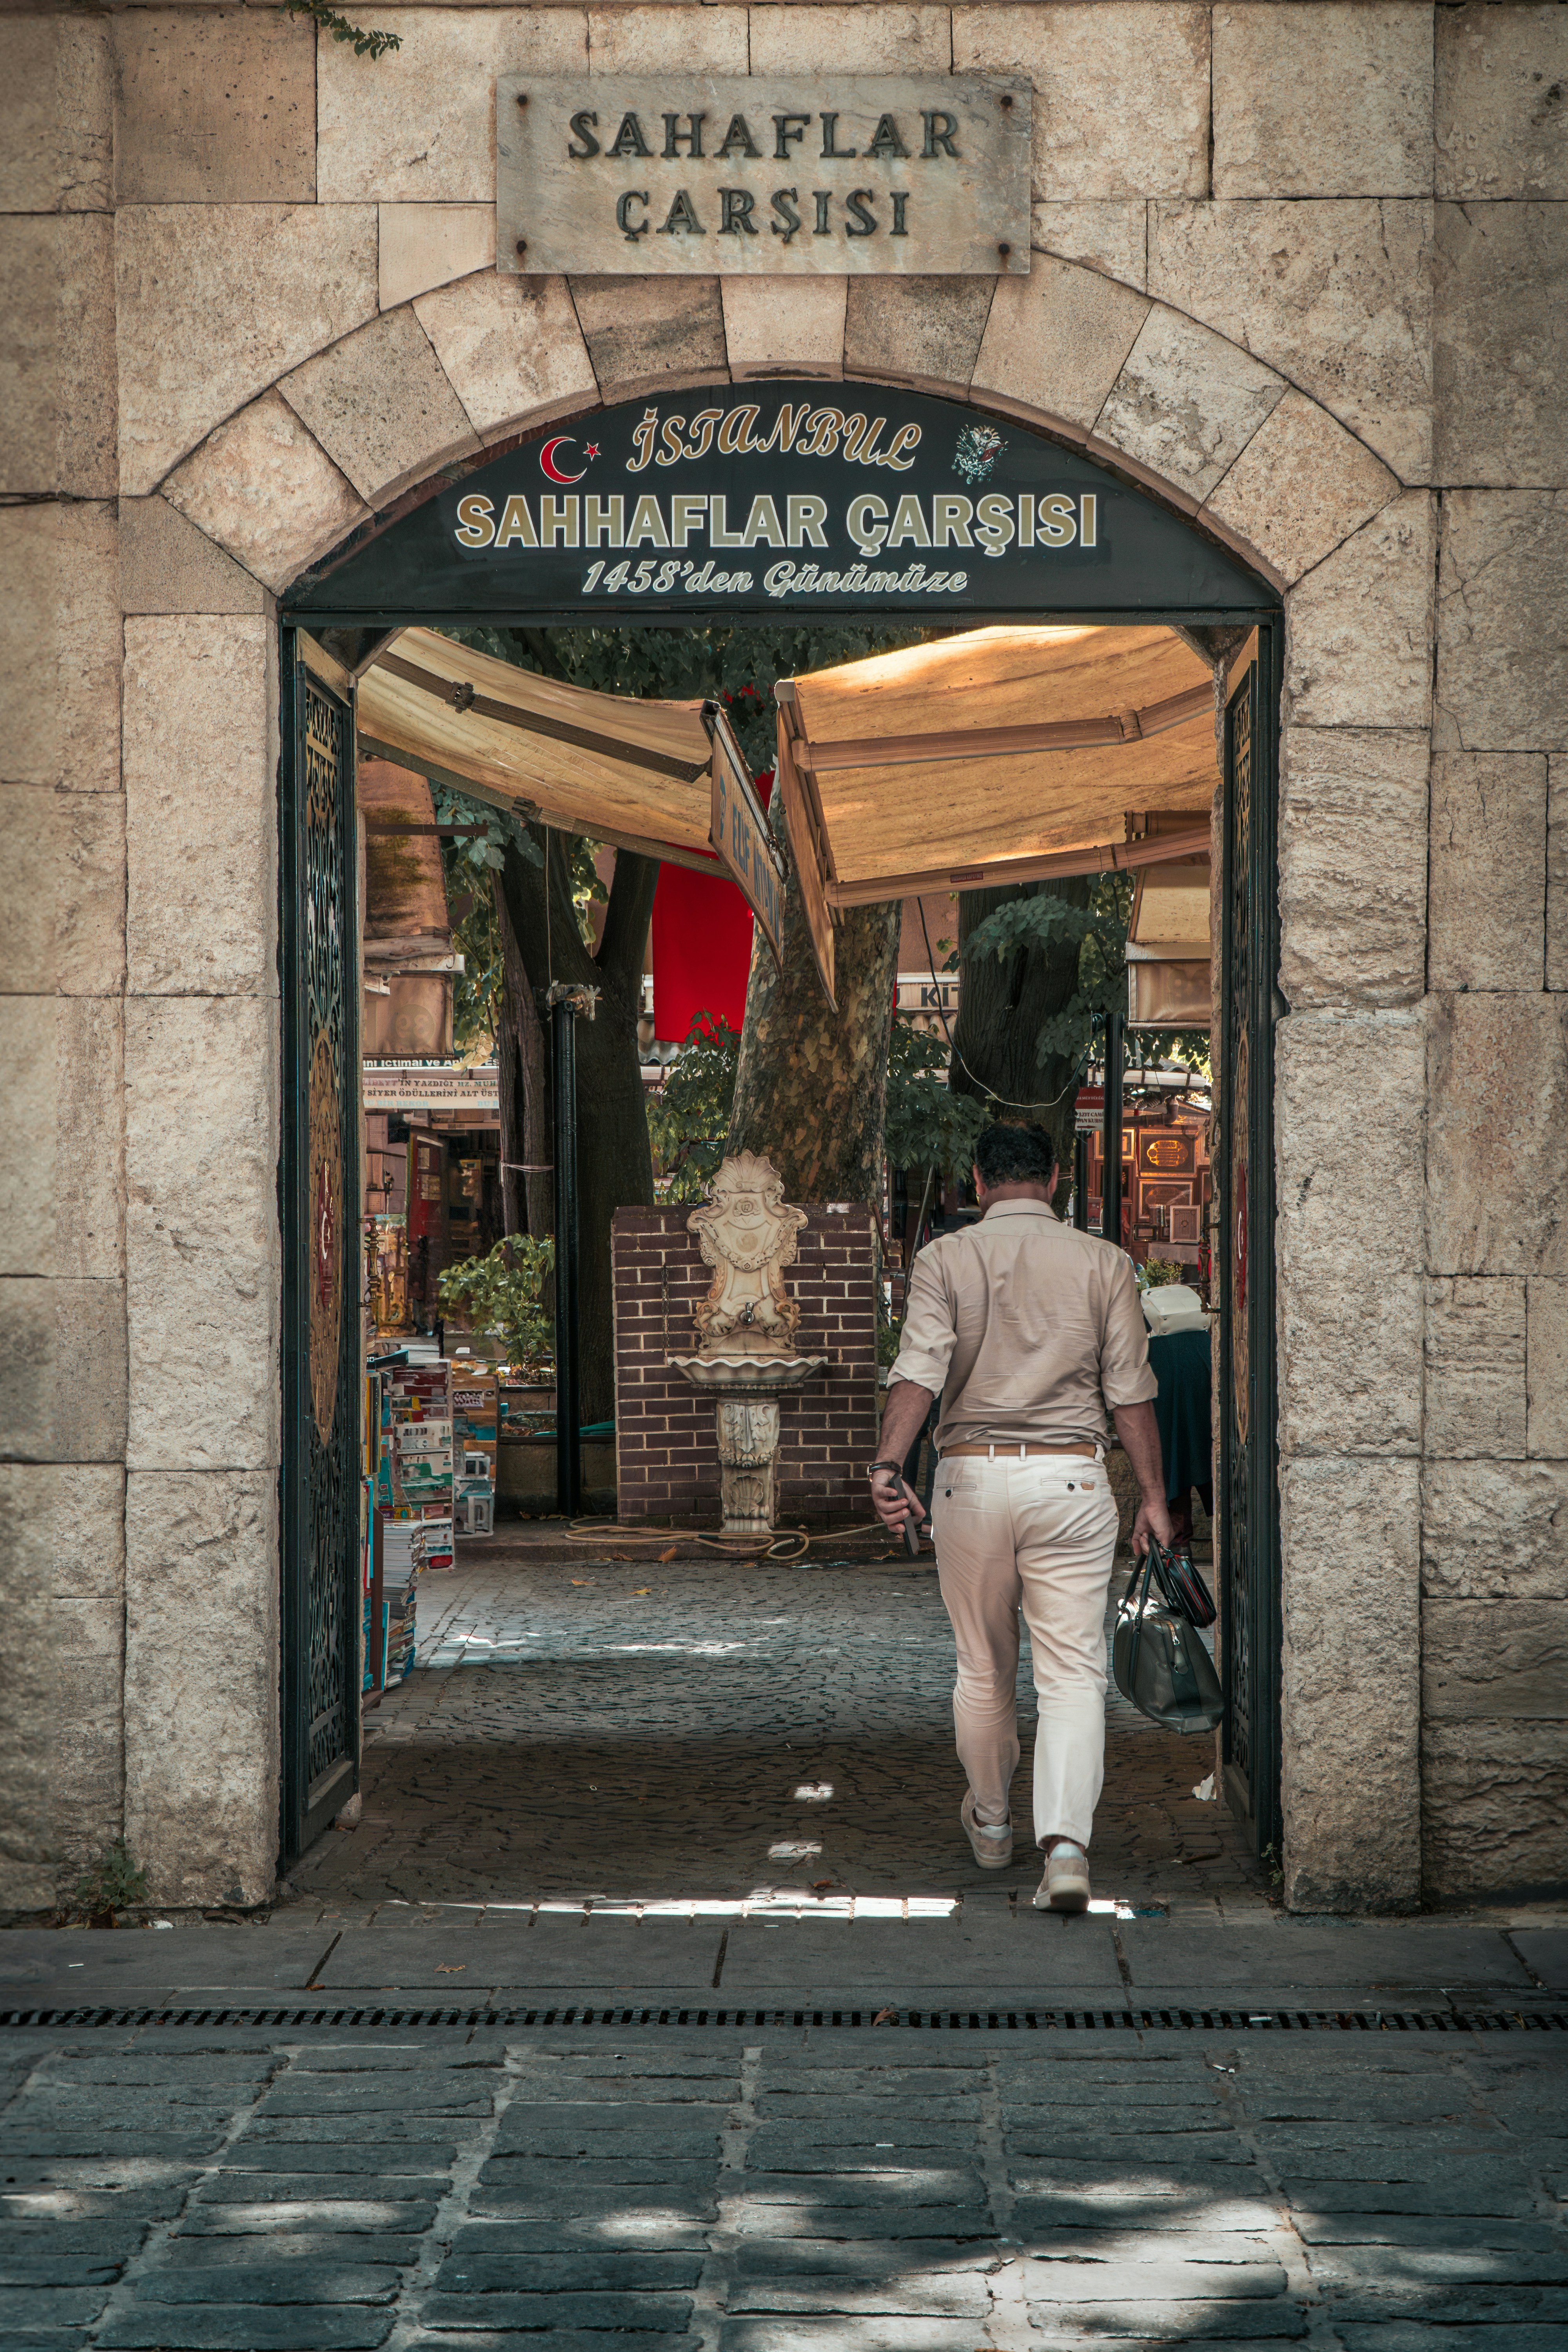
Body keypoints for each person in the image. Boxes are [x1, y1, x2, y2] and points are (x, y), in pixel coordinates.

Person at [868, 1123, 1173, 1913]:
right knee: (1073, 1672)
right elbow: (1129, 1391)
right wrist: (1153, 1498)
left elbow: (918, 1369)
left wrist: (887, 1464)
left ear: (975, 1180)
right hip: (1071, 1483)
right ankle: (1066, 1848)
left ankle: (994, 1821)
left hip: (969, 1482)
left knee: (981, 1667)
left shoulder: (943, 1259)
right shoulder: (1104, 1263)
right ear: (1054, 1179)